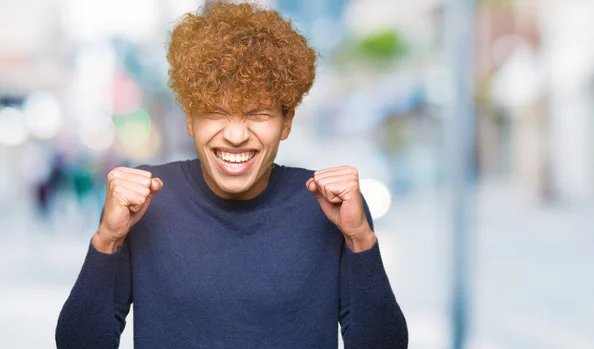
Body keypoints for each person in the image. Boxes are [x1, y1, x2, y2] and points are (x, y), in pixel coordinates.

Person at [56, 2, 408, 348]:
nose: (236, 135)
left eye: (257, 114)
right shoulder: (144, 201)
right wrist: (108, 240)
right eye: (215, 112)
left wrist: (360, 239)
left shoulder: (331, 208)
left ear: (286, 123)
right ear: (189, 119)